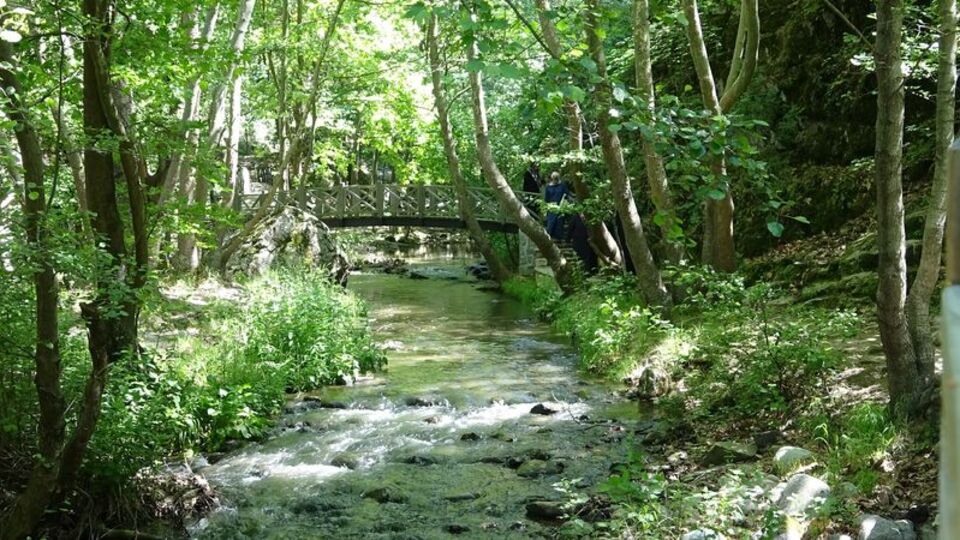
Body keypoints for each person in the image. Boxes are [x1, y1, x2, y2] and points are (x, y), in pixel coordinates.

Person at [544, 171, 571, 240]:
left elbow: (566, 194)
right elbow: (546, 198)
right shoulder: (548, 187)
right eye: (554, 178)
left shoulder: (562, 186)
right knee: (551, 223)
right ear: (552, 178)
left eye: (556, 178)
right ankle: (550, 238)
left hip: (560, 206)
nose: (555, 179)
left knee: (559, 223)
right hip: (551, 207)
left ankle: (559, 239)